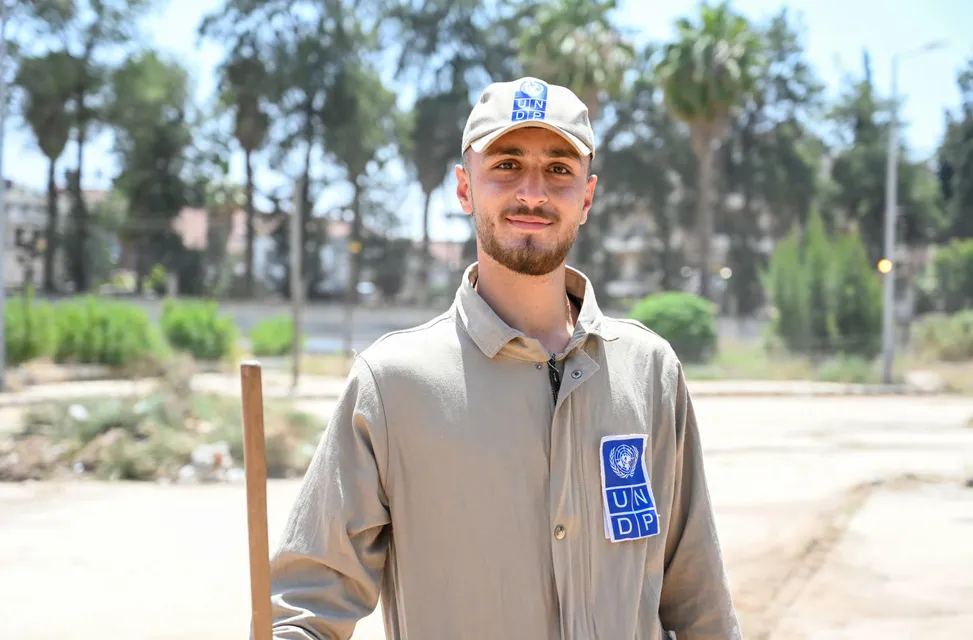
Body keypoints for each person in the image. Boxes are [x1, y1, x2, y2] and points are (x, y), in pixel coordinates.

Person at [266, 76, 741, 640]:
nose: (533, 193)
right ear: (465, 190)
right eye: (507, 165)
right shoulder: (393, 386)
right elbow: (308, 607)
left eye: (559, 169)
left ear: (586, 197)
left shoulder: (650, 371)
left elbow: (698, 603)